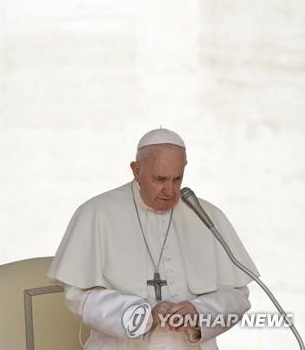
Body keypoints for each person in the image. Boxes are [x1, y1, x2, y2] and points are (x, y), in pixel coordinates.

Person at [47, 128, 259, 350]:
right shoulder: (97, 213)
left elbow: (237, 295)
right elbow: (79, 297)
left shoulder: (205, 215)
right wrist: (146, 314)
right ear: (136, 170)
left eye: (177, 179)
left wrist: (200, 311)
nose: (170, 191)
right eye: (160, 179)